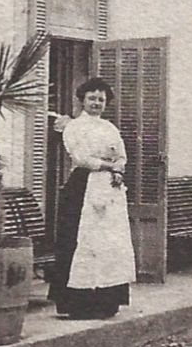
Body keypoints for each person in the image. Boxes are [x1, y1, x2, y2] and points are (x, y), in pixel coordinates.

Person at [47, 77, 136, 318]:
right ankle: (78, 303)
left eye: (101, 99)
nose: (96, 103)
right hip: (83, 187)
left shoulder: (109, 128)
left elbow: (123, 157)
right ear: (82, 100)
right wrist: (110, 166)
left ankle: (106, 300)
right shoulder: (74, 127)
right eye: (92, 98)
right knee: (83, 240)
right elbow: (82, 158)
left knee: (108, 242)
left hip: (109, 189)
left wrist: (117, 170)